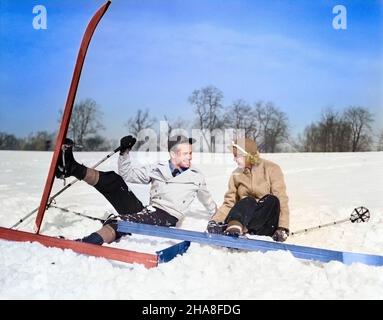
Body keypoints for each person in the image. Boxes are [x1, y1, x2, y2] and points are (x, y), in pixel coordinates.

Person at [56, 135, 217, 245]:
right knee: (114, 180)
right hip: (148, 211)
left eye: (190, 153)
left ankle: (86, 243)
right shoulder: (157, 168)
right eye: (186, 153)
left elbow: (208, 201)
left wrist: (219, 216)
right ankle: (71, 167)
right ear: (173, 154)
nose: (190, 157)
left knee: (121, 222)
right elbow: (127, 174)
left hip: (166, 218)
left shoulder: (196, 176)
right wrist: (124, 152)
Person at [206, 138, 290, 242]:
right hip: (243, 220)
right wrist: (215, 220)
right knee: (248, 200)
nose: (234, 159)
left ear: (247, 155)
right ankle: (233, 228)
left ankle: (244, 229)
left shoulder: (271, 169)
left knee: (272, 200)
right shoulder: (236, 174)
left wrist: (282, 227)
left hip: (266, 222)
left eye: (236, 156)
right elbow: (229, 202)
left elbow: (281, 199)